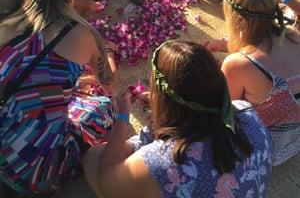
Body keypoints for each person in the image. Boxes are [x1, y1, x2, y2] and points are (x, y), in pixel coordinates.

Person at [82, 40, 273, 198]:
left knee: (94, 158)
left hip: (165, 168)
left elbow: (106, 179)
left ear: (163, 98)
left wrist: (122, 116)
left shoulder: (160, 162)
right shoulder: (246, 112)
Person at [0, 0, 116, 195]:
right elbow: (110, 84)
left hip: (4, 144)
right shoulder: (81, 34)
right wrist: (110, 53)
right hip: (37, 169)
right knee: (103, 107)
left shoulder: (6, 27)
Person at [219, 0, 300, 165]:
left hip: (263, 151)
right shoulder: (295, 37)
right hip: (294, 141)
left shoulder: (239, 64)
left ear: (238, 20)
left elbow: (224, 114)